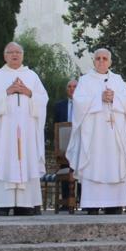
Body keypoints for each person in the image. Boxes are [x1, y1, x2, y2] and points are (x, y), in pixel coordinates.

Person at [0, 42, 48, 216]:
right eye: (11, 52)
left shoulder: (32, 76)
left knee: (26, 159)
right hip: (4, 131)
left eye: (18, 52)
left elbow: (43, 99)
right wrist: (6, 92)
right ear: (5, 56)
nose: (15, 55)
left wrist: (28, 92)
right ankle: (4, 203)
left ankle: (26, 204)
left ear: (23, 55)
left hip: (27, 129)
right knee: (6, 159)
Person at [66, 48, 126, 215]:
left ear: (110, 62)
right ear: (93, 61)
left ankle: (115, 203)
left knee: (114, 163)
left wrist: (115, 99)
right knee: (94, 163)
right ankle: (92, 204)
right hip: (94, 133)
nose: (101, 61)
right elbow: (79, 103)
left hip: (114, 133)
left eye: (105, 58)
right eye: (98, 58)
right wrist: (99, 99)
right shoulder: (85, 80)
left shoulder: (118, 80)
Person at [53, 79, 78, 208]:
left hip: (80, 144)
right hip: (64, 146)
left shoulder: (83, 104)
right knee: (65, 166)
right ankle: (66, 201)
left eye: (74, 86)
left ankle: (82, 201)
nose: (72, 89)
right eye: (69, 86)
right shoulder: (59, 106)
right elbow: (55, 126)